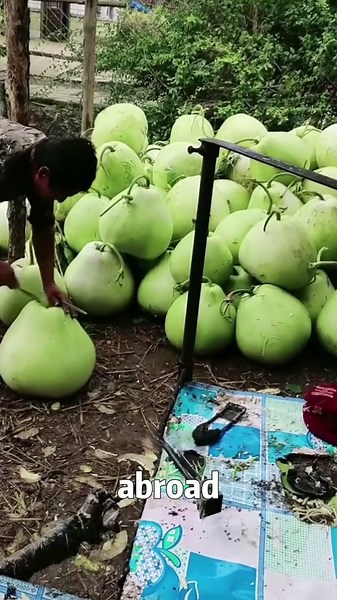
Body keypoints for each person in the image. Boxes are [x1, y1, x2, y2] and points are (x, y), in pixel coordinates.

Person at [0, 117, 97, 313]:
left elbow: (43, 225)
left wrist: (49, 283)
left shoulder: (46, 157)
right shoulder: (6, 166)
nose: (60, 201)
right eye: (61, 194)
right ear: (43, 174)